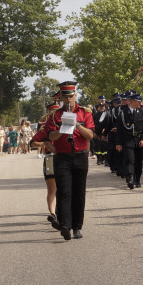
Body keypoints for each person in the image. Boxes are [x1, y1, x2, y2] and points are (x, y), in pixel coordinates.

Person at [42, 81, 95, 241]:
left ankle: (77, 227)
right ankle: (65, 225)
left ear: (75, 95)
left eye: (70, 97)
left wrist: (77, 125)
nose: (68, 100)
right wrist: (60, 130)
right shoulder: (55, 115)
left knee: (79, 194)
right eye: (65, 97)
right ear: (62, 98)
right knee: (64, 192)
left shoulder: (85, 113)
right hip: (62, 157)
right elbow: (49, 136)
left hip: (80, 155)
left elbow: (90, 135)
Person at [29, 103, 59, 230]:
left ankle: (61, 213)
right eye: (53, 113)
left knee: (63, 188)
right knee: (52, 188)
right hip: (50, 157)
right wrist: (44, 144)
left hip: (65, 158)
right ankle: (53, 214)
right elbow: (32, 143)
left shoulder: (68, 123)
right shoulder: (44, 127)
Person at [116, 91, 143, 189]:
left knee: (139, 161)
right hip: (128, 140)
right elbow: (120, 129)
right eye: (138, 101)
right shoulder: (123, 113)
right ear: (131, 101)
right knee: (130, 159)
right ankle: (130, 178)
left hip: (139, 139)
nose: (140, 103)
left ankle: (137, 180)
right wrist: (118, 143)